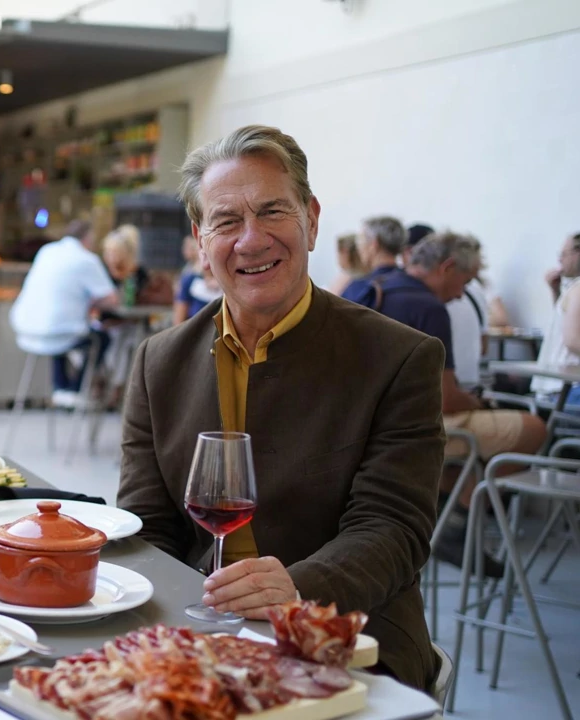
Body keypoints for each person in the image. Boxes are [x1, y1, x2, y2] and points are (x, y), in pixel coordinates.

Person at [119, 125, 442, 690]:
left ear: (311, 220)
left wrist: (297, 586)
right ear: (199, 242)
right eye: (226, 221)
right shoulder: (158, 363)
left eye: (272, 211)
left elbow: (393, 527)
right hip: (200, 627)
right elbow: (150, 531)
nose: (251, 239)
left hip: (348, 631)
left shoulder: (398, 357)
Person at [358, 232, 547, 575]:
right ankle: (456, 523)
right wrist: (477, 403)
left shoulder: (368, 286)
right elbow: (444, 399)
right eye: (465, 281)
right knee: (534, 428)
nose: (461, 293)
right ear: (447, 267)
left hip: (360, 428)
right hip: (406, 431)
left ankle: (442, 509)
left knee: (467, 454)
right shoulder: (429, 308)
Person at [10, 218, 118, 408]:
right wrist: (92, 301)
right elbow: (112, 300)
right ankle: (75, 390)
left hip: (26, 327)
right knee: (101, 339)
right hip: (61, 331)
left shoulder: (47, 251)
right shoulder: (87, 259)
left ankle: (60, 387)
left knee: (59, 331)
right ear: (87, 238)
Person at [532, 233, 580, 407]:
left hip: (557, 390)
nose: (560, 260)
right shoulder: (576, 289)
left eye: (563, 254)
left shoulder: (575, 289)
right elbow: (572, 340)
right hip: (566, 390)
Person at [340, 215, 406, 306]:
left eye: (360, 241)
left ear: (373, 244)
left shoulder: (359, 290)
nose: (358, 248)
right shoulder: (417, 284)